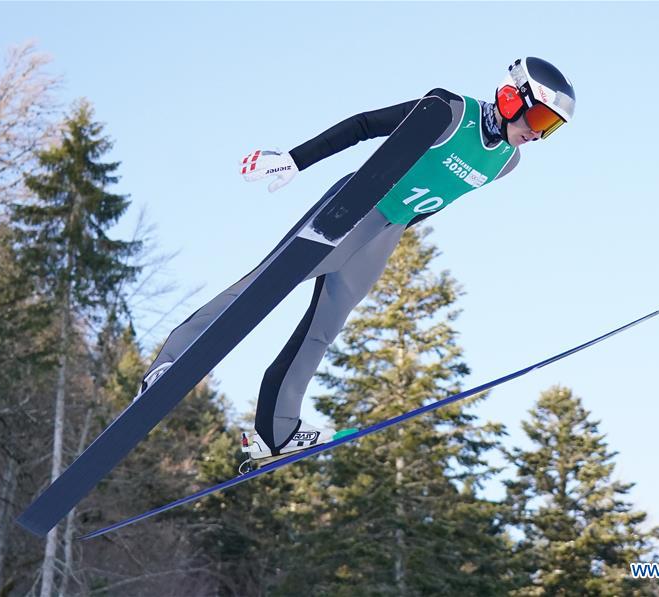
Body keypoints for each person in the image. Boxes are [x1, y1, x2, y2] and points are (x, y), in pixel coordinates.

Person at [138, 57, 576, 464]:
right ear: (510, 96)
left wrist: (394, 230)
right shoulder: (449, 111)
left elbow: (437, 200)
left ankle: (277, 427)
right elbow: (366, 125)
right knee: (265, 286)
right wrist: (294, 160)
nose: (538, 134)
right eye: (539, 118)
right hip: (357, 206)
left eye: (551, 128)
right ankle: (171, 362)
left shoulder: (506, 162)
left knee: (324, 328)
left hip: (386, 231)